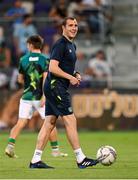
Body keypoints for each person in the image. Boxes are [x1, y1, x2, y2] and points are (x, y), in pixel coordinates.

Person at [29, 17, 99, 169]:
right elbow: (53, 67)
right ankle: (81, 159)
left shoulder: (72, 45)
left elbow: (65, 66)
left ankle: (35, 160)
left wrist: (76, 73)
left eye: (76, 25)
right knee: (70, 120)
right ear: (63, 28)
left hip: (55, 86)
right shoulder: (60, 44)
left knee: (49, 123)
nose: (74, 28)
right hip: (56, 87)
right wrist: (70, 78)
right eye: (71, 25)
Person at [5, 35, 67, 158]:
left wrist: (29, 85)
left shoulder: (23, 59)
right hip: (40, 97)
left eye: (28, 45)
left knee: (21, 122)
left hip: (27, 96)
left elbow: (20, 79)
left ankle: (10, 147)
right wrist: (45, 96)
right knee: (49, 122)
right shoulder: (45, 59)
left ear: (31, 45)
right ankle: (55, 151)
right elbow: (46, 79)